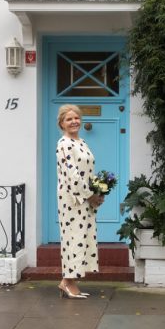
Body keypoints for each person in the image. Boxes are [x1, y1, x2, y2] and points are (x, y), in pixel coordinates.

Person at [55, 103, 105, 299]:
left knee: (83, 238)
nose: (74, 121)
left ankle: (67, 282)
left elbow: (87, 172)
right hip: (73, 201)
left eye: (76, 118)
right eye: (69, 119)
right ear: (61, 123)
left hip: (85, 200)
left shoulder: (82, 142)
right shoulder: (64, 144)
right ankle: (67, 282)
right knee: (74, 238)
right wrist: (89, 195)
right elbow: (72, 175)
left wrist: (98, 192)